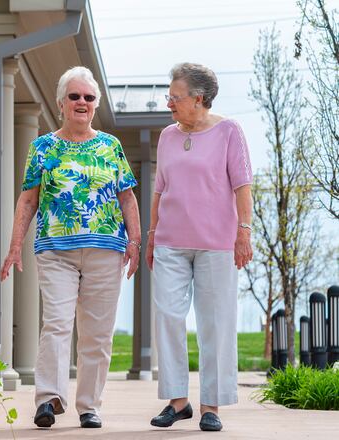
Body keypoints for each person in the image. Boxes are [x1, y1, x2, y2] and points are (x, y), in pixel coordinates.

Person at [0, 66, 141, 429]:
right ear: (61, 102)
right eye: (75, 96)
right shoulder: (42, 147)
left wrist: (135, 241)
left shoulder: (110, 146)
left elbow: (127, 197)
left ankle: (89, 405)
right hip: (55, 251)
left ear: (95, 104)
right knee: (57, 324)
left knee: (97, 333)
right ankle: (48, 399)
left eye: (89, 97)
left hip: (106, 249)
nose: (82, 102)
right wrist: (15, 244)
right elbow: (28, 199)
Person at [147, 62, 253, 432]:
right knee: (168, 316)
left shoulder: (228, 131)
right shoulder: (167, 136)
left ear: (199, 98)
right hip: (170, 244)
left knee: (216, 323)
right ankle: (178, 401)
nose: (169, 104)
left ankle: (212, 405)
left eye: (175, 98)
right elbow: (159, 189)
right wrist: (151, 235)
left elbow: (242, 185)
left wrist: (244, 232)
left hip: (215, 244)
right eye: (169, 97)